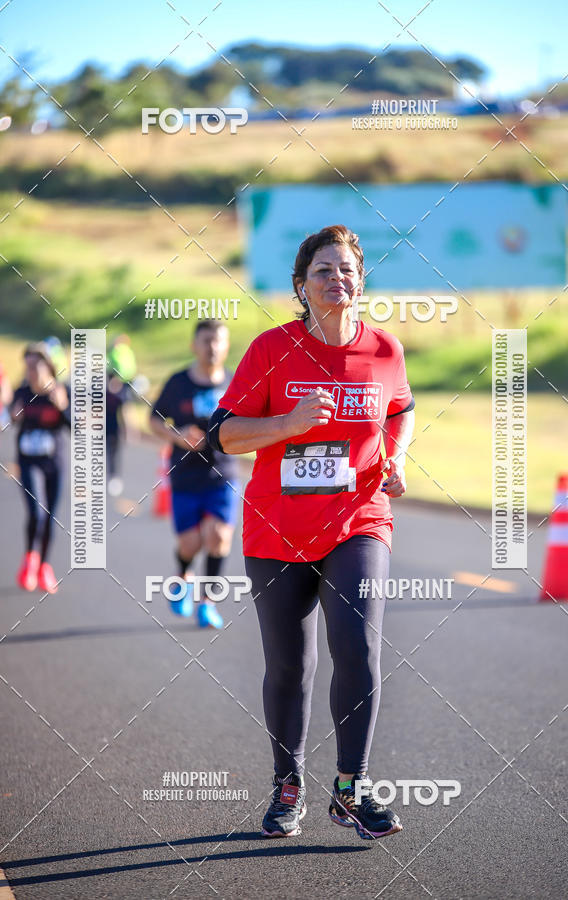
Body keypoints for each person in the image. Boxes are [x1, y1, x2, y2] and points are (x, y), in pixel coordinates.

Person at [208, 224, 415, 840]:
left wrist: (397, 456)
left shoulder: (384, 350)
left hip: (358, 518)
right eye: (324, 270)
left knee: (357, 647)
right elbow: (224, 434)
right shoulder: (271, 349)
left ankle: (351, 788)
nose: (338, 279)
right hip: (277, 527)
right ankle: (288, 785)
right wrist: (288, 422)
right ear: (302, 286)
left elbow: (400, 410)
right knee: (289, 666)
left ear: (361, 279)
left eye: (347, 268)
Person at [150, 320, 240, 629]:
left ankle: (208, 602)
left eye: (218, 341)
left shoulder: (235, 383)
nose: (212, 347)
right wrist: (177, 435)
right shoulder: (178, 382)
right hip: (185, 475)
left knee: (218, 537)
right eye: (206, 341)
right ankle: (182, 577)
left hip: (222, 475)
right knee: (190, 544)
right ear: (194, 345)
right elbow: (153, 420)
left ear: (226, 346)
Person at [11, 343, 70, 594]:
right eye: (28, 366)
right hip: (28, 461)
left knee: (49, 517)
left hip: (53, 463)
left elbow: (76, 429)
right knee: (36, 512)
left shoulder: (60, 391)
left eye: (37, 365)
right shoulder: (22, 392)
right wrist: (13, 416)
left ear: (48, 367)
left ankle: (44, 565)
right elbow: (9, 420)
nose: (32, 370)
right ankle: (29, 560)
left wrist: (63, 407)